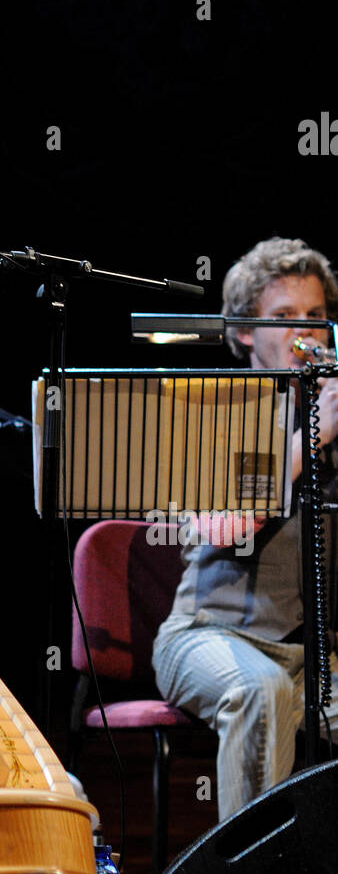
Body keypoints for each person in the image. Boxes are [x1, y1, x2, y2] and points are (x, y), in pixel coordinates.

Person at [152, 237, 338, 822]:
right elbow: (228, 522)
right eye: (283, 318)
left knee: (282, 686)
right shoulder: (216, 411)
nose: (304, 332)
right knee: (262, 691)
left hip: (312, 654)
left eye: (316, 317)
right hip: (211, 636)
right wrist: (311, 436)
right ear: (244, 334)